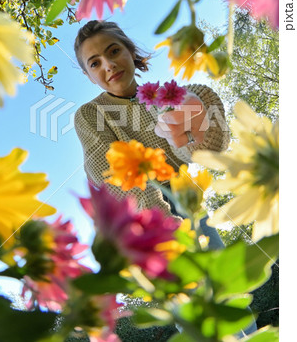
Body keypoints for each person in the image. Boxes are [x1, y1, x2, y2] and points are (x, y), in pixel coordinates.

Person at [73, 20, 257, 337]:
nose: (108, 64)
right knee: (192, 309)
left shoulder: (165, 95)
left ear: (131, 52)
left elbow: (208, 149)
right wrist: (159, 223)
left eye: (114, 51)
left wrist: (202, 106)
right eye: (95, 63)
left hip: (191, 205)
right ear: (89, 75)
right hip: (147, 220)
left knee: (226, 293)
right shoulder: (92, 114)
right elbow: (107, 172)